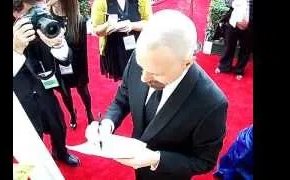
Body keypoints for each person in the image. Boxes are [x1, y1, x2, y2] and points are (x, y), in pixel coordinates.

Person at [85, 10, 228, 180]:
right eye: (141, 65)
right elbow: (123, 98)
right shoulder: (144, 58)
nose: (144, 77)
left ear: (187, 62)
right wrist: (107, 124)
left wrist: (156, 159)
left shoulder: (211, 103)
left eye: (156, 73)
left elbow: (204, 161)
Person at [13, 0, 79, 166]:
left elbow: (66, 60)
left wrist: (58, 44)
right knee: (33, 137)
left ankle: (60, 152)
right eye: (30, 10)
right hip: (19, 98)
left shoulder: (41, 18)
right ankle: (38, 165)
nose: (37, 11)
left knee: (58, 126)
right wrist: (16, 50)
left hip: (45, 87)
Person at [46, 0, 95, 129]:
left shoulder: (79, 20)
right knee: (65, 93)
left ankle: (89, 112)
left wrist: (83, 74)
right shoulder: (46, 19)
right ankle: (72, 113)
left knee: (83, 91)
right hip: (58, 65)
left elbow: (83, 51)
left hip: (77, 64)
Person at [91, 0, 152, 81]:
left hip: (139, 46)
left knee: (142, 78)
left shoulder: (142, 1)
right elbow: (96, 30)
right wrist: (109, 25)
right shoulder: (101, 2)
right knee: (124, 80)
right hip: (115, 49)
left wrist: (132, 25)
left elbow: (149, 23)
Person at [215, 0, 253, 80]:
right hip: (233, 22)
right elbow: (230, 4)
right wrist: (237, 21)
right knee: (229, 45)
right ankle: (224, 67)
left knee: (245, 50)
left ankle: (239, 70)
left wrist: (248, 24)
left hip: (249, 27)